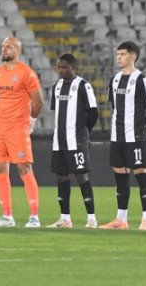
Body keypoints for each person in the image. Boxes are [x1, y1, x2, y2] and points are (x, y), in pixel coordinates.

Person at [0, 36, 44, 228]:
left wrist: (30, 122)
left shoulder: (26, 73)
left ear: (18, 51)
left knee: (24, 168)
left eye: (9, 47)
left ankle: (34, 217)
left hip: (18, 128)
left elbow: (38, 101)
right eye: (3, 46)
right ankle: (7, 216)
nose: (4, 49)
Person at [100, 41, 146, 230]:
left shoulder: (142, 80)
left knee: (141, 175)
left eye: (123, 54)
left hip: (136, 137)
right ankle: (121, 219)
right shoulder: (115, 79)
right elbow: (115, 107)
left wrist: (141, 127)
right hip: (117, 137)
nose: (118, 57)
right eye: (117, 54)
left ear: (133, 56)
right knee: (120, 176)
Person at [47, 53, 99, 229]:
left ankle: (91, 218)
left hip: (76, 140)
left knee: (81, 175)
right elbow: (57, 111)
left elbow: (93, 112)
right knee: (61, 177)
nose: (60, 70)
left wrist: (85, 133)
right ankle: (65, 218)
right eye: (59, 67)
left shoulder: (83, 86)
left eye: (64, 67)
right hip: (59, 141)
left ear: (73, 68)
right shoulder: (56, 87)